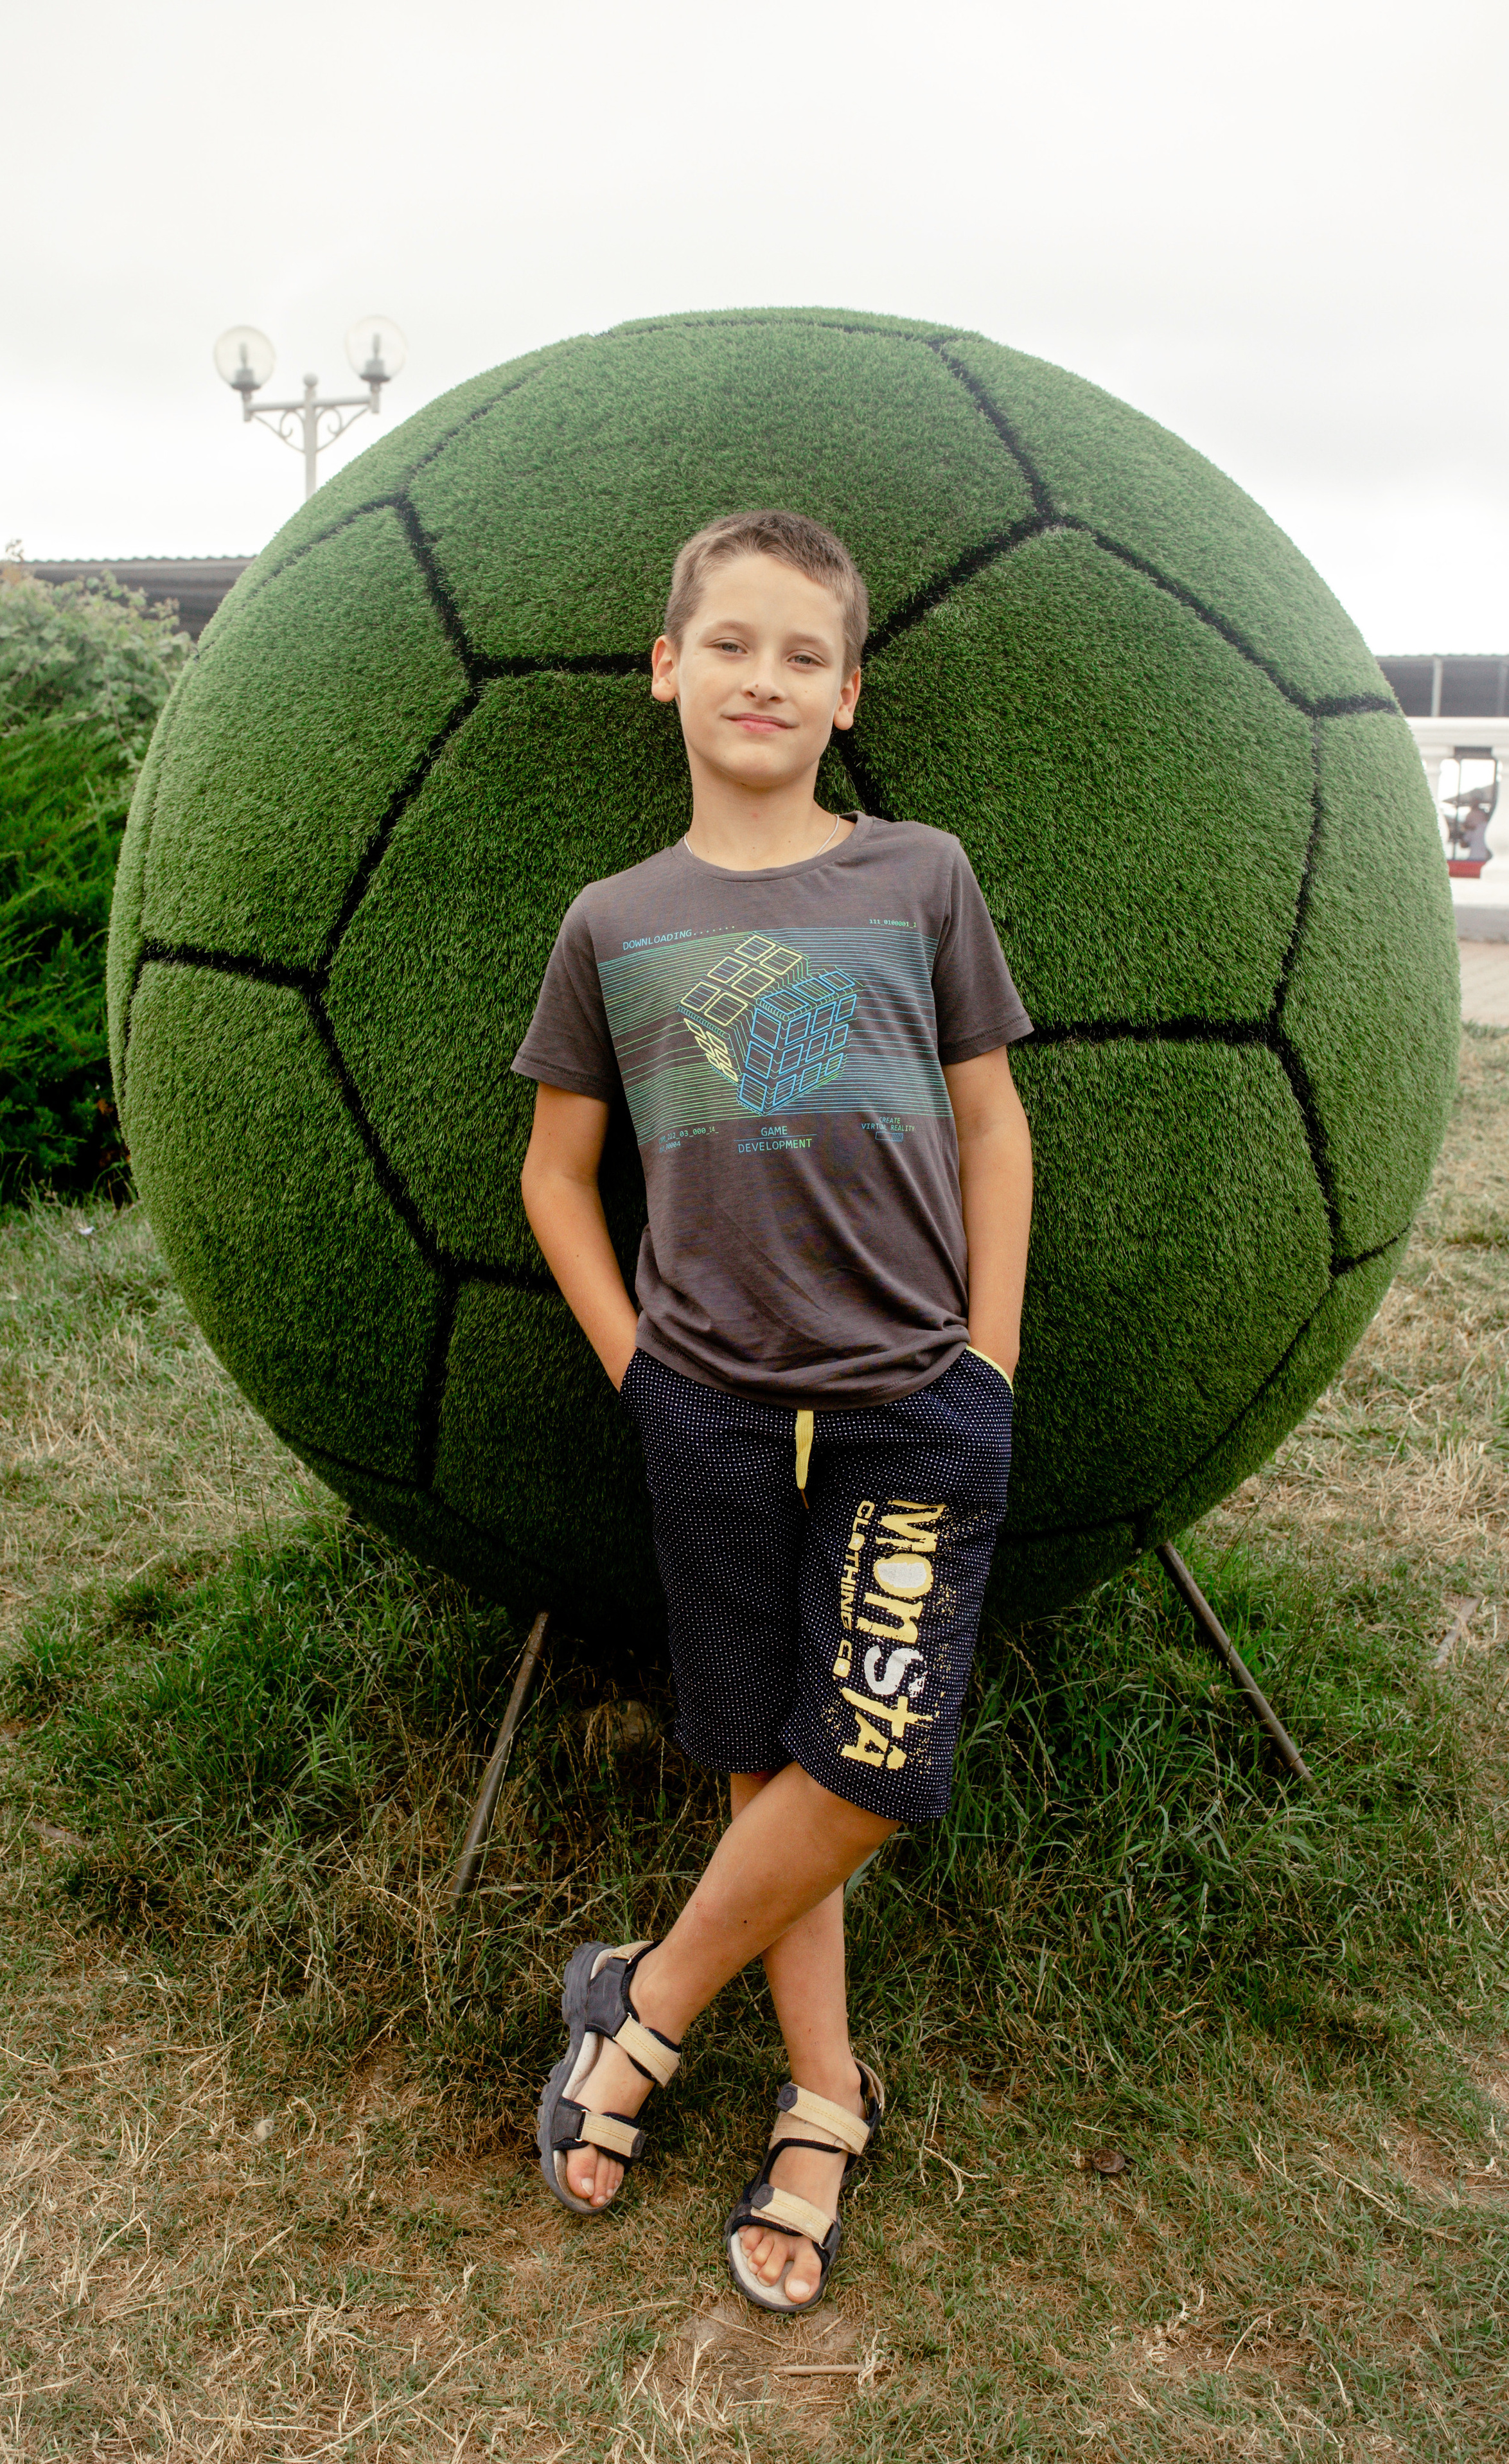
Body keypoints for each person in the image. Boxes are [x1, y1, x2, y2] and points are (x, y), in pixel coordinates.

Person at [511, 508, 1034, 2313]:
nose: (765, 678)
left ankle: (640, 2005)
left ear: (846, 691)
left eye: (803, 654)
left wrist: (992, 1363)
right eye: (731, 643)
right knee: (764, 1757)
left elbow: (992, 1129)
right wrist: (638, 1362)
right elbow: (556, 1176)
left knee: (871, 1757)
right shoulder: (616, 923)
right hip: (711, 1405)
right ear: (671, 666)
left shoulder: (920, 876)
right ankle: (824, 2098)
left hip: (913, 1400)